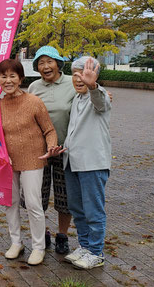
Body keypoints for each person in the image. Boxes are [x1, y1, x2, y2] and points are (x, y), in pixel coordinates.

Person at [0, 59, 65, 266]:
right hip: (6, 162)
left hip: (33, 159)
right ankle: (16, 242)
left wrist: (51, 147)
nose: (8, 81)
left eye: (12, 76)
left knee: (34, 204)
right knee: (11, 203)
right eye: (3, 76)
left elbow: (49, 130)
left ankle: (38, 247)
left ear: (21, 78)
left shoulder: (33, 101)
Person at [26, 45, 76, 254]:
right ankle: (43, 232)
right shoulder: (34, 88)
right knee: (39, 194)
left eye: (49, 61)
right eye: (40, 63)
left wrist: (104, 94)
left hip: (66, 149)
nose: (45, 66)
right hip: (40, 151)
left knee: (65, 196)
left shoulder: (72, 84)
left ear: (58, 63)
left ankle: (62, 235)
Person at [63, 56, 111, 269]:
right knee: (77, 208)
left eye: (84, 75)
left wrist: (93, 86)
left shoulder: (99, 97)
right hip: (71, 161)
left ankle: (96, 252)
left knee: (93, 209)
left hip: (92, 163)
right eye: (76, 75)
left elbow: (100, 101)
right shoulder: (76, 99)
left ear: (95, 76)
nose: (79, 79)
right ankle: (84, 246)